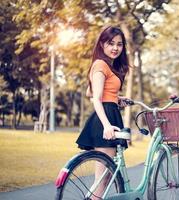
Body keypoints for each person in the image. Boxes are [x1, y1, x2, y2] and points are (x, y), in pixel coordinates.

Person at [76, 26, 129, 198]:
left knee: (106, 176)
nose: (115, 48)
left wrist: (116, 98)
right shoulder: (100, 64)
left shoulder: (107, 66)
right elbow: (95, 98)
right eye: (111, 43)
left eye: (119, 44)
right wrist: (107, 125)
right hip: (105, 119)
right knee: (102, 177)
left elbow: (89, 91)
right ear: (102, 44)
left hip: (111, 112)